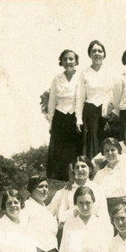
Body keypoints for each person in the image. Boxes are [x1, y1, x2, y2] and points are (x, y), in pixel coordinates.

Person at [46, 49, 84, 182]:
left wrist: (78, 118)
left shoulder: (81, 76)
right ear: (61, 62)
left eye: (71, 59)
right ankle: (61, 181)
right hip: (60, 116)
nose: (68, 62)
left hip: (74, 117)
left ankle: (75, 178)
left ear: (76, 61)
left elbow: (80, 98)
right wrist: (51, 122)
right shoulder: (57, 79)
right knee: (59, 152)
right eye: (65, 59)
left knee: (74, 150)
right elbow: (52, 101)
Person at [20, 175, 61, 252]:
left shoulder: (46, 208)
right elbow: (22, 232)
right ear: (32, 189)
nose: (45, 189)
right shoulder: (26, 207)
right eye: (40, 187)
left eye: (46, 187)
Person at [79, 40, 114, 160]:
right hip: (90, 112)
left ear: (104, 54)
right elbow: (81, 97)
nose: (97, 53)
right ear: (89, 54)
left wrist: (110, 112)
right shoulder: (84, 73)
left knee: (107, 142)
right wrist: (78, 118)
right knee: (91, 144)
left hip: (106, 112)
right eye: (94, 51)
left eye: (100, 51)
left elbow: (113, 93)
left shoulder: (110, 72)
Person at [50, 156, 108, 223]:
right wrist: (73, 212)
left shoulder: (98, 189)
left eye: (83, 166)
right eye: (77, 167)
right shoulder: (68, 190)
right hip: (74, 227)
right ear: (74, 171)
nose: (80, 169)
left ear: (90, 169)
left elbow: (104, 215)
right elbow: (61, 216)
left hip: (93, 227)